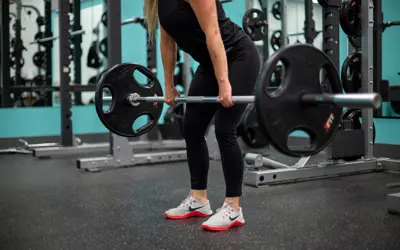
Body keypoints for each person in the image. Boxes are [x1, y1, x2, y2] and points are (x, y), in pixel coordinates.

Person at [144, 0, 261, 231]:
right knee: (192, 128)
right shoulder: (156, 2)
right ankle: (199, 200)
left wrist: (224, 82)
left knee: (224, 129)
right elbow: (167, 41)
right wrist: (168, 84)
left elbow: (213, 32)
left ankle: (233, 208)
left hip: (237, 57)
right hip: (209, 62)